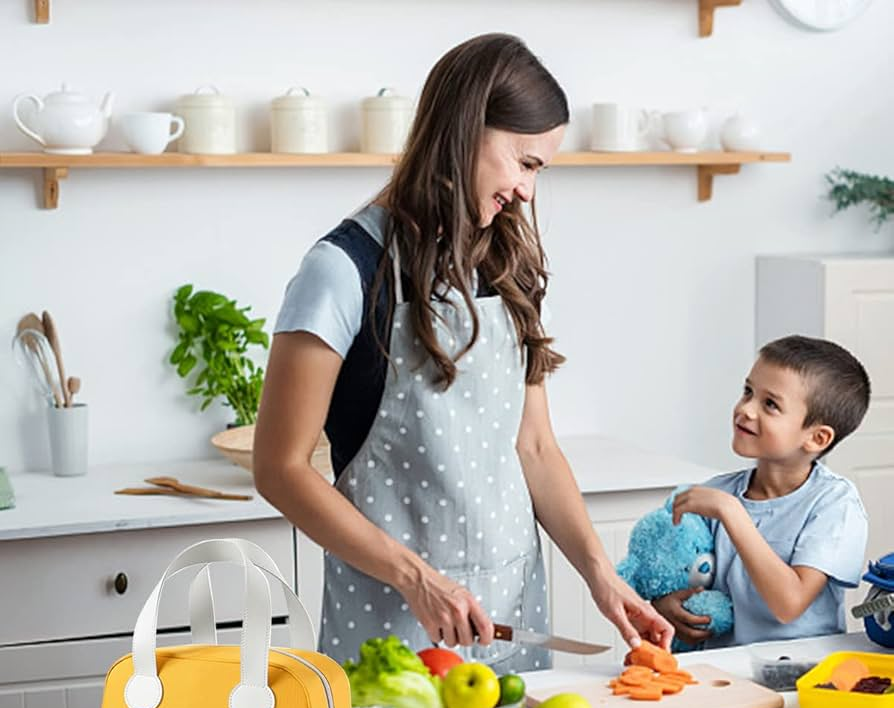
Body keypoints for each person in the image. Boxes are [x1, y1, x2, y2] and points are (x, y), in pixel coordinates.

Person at [253, 33, 672, 671]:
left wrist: (599, 575)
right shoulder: (343, 270)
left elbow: (533, 447)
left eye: (540, 171)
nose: (529, 191)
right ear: (466, 127)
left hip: (512, 608)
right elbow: (279, 469)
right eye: (524, 162)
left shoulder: (513, 268)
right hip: (393, 618)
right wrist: (416, 577)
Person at [655, 335, 870, 649]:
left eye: (770, 404)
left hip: (798, 676)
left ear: (817, 438)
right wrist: (664, 606)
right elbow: (674, 575)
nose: (745, 409)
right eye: (747, 392)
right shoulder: (715, 494)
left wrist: (732, 514)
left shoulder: (835, 504)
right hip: (720, 673)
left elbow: (789, 604)